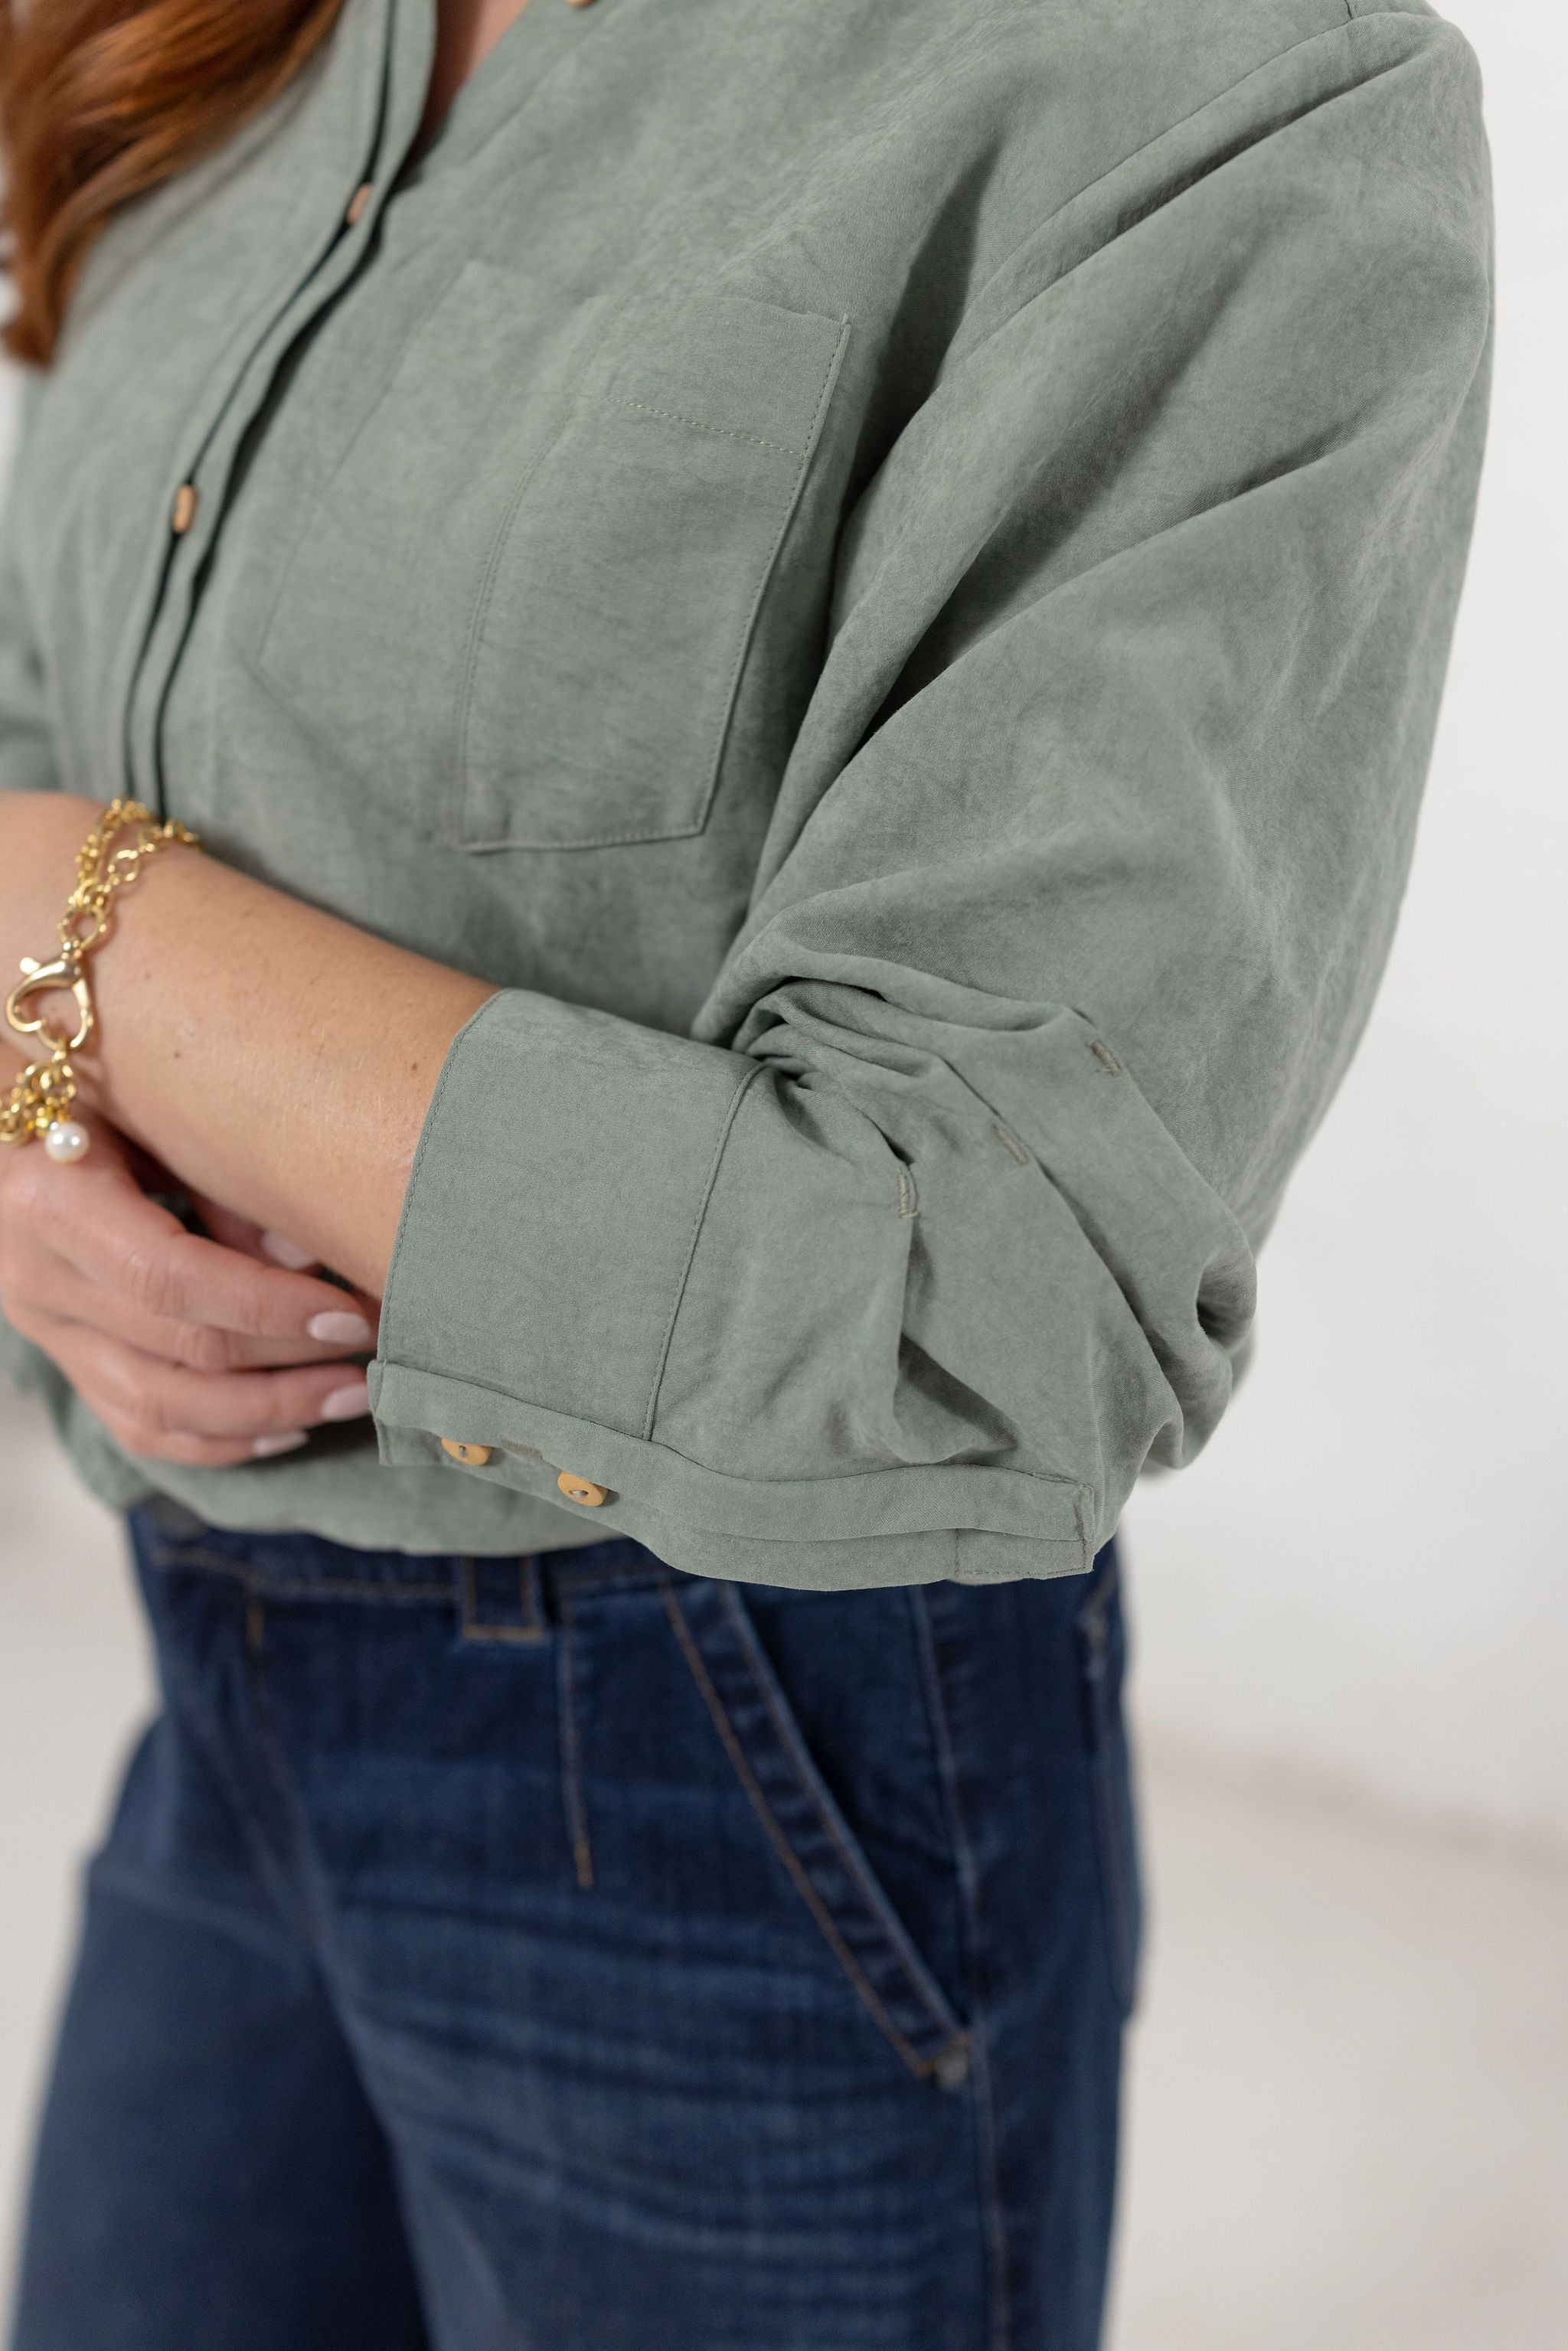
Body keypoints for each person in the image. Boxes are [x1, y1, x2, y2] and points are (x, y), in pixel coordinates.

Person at [0, 0, 1491, 2343]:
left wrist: (83, 926)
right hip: (210, 1672)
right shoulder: (232, 28)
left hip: (733, 1754)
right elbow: (54, 660)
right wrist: (33, 1125)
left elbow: (973, 1308)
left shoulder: (1217, 84)